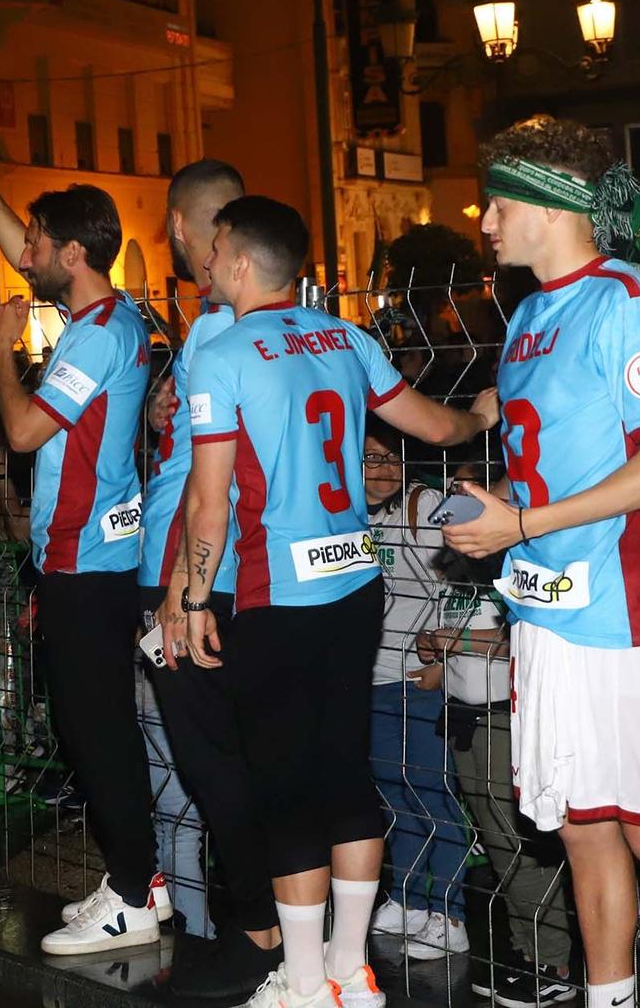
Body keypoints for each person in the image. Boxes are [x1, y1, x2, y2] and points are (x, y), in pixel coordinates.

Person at [178, 196, 495, 1008]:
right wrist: (481, 414)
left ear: (244, 264)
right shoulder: (350, 339)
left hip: (278, 594)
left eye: (216, 250)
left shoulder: (222, 352)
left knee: (286, 789)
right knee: (345, 776)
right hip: (356, 586)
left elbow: (210, 501)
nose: (207, 263)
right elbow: (432, 426)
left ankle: (307, 979)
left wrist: (191, 595)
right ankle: (351, 969)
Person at [442, 115, 640, 1008]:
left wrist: (521, 523)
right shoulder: (526, 312)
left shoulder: (630, 301)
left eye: (499, 200)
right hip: (541, 612)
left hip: (615, 614)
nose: (483, 219)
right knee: (583, 835)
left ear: (556, 204)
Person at [0, 158, 165, 955]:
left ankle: (135, 894)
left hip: (88, 559)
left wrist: (1, 351)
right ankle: (140, 881)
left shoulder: (97, 336)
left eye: (36, 240)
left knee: (95, 729)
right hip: (86, 558)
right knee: (92, 725)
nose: (21, 251)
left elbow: (27, 432)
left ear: (74, 254)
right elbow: (26, 248)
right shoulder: (106, 318)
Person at [134, 157, 288, 1000]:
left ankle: (260, 929)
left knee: (211, 760)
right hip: (220, 573)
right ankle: (271, 925)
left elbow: (215, 484)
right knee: (232, 757)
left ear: (191, 231)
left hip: (200, 576)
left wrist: (180, 595)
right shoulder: (238, 325)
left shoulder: (227, 328)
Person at [419, 531, 578, 1007]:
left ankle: (553, 963)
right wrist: (436, 651)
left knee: (520, 845)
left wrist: (457, 639)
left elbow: (527, 640)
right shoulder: (456, 581)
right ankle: (529, 954)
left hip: (503, 721)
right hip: (467, 720)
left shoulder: (510, 573)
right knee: (501, 848)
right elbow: (454, 650)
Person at [360, 428, 470, 963]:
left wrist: (447, 663)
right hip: (372, 677)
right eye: (367, 459)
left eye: (389, 459)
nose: (379, 470)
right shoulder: (353, 514)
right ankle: (407, 899)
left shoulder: (425, 507)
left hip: (419, 677)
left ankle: (450, 913)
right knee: (395, 800)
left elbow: (473, 580)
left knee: (433, 797)